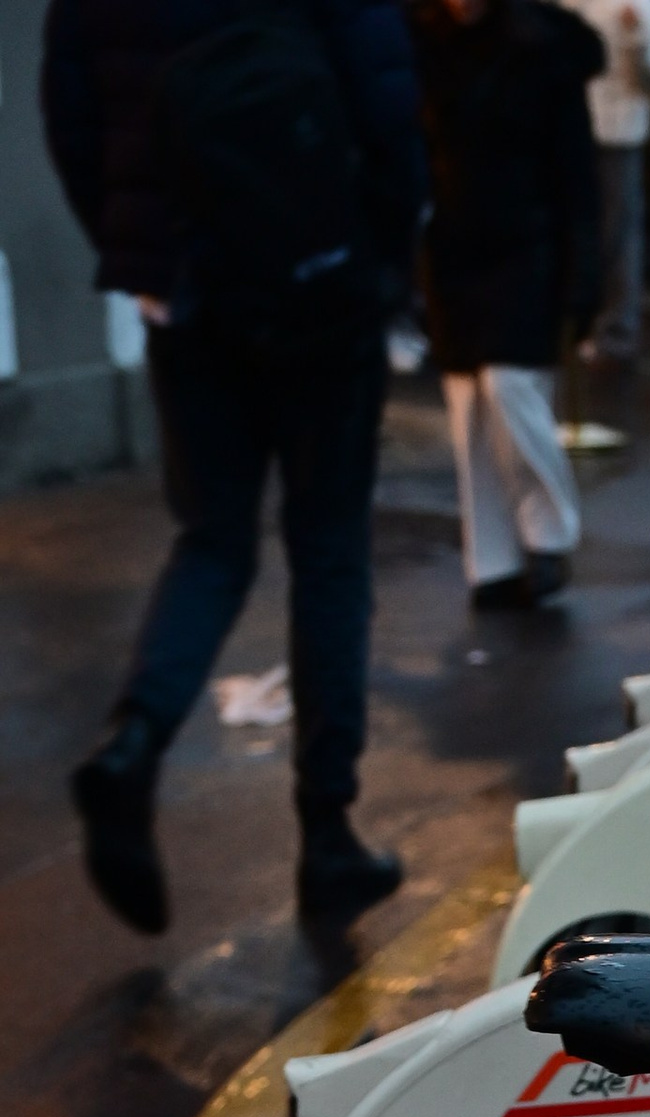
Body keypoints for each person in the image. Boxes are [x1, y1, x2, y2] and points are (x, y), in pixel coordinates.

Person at [40, 0, 423, 933]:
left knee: (212, 540)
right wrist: (382, 254)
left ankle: (134, 742)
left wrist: (141, 252)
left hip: (187, 293)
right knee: (328, 551)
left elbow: (72, 117)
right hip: (320, 273)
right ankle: (327, 834)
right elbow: (387, 100)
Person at [411, 0, 601, 607]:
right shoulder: (419, 43)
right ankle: (493, 558)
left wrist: (583, 273)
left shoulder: (543, 47)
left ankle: (547, 534)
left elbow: (576, 173)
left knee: (509, 386)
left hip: (525, 245)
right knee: (470, 404)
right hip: (452, 250)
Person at [566, 0, 650, 365]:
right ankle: (578, 322)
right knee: (579, 229)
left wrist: (636, 36)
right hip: (570, 122)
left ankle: (617, 328)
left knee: (618, 231)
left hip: (619, 128)